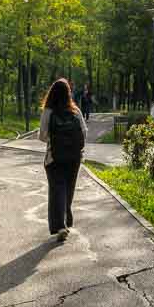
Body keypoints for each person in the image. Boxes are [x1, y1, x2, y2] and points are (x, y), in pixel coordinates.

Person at [38, 78, 87, 242]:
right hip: (74, 158)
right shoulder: (75, 111)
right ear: (68, 94)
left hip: (54, 158)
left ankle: (60, 225)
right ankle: (66, 221)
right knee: (68, 190)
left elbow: (42, 136)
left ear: (51, 93)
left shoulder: (48, 111)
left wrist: (55, 141)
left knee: (57, 189)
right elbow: (84, 133)